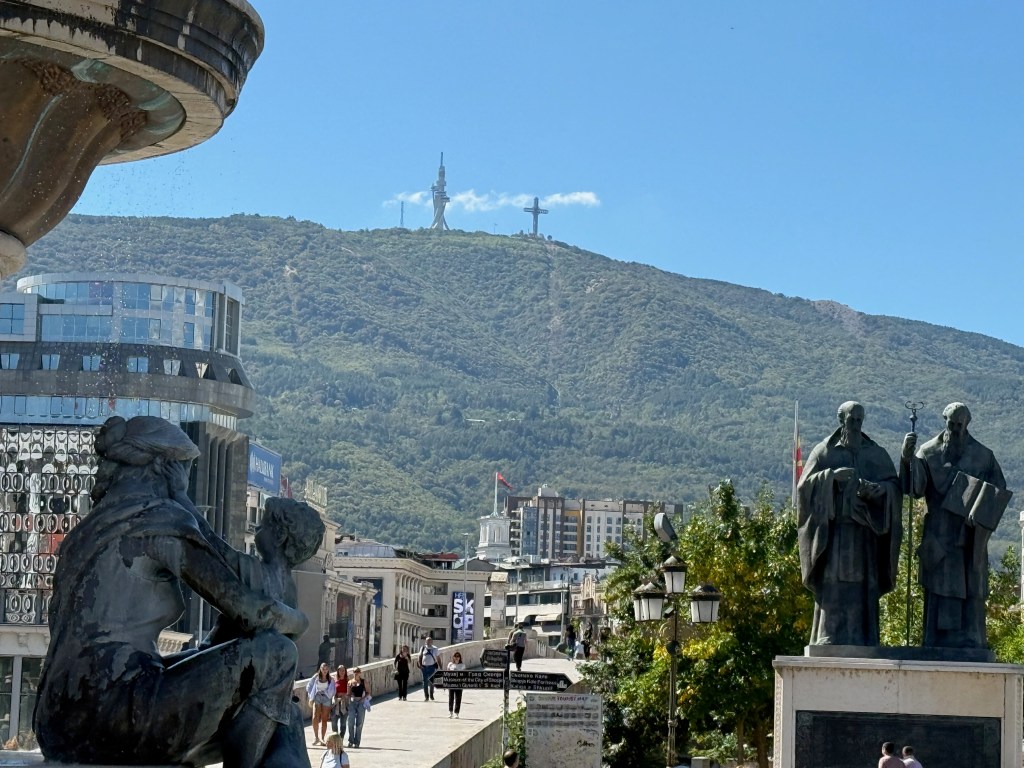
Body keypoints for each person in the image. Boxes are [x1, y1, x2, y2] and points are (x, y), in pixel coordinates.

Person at [33, 416, 311, 767]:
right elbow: (248, 610)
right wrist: (299, 622)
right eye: (187, 469)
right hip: (114, 712)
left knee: (247, 671)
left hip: (58, 720)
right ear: (166, 467)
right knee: (277, 655)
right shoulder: (159, 520)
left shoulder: (91, 528)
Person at [902, 402, 1011, 649]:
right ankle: (936, 641)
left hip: (970, 536)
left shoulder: (984, 455)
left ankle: (971, 641)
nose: (955, 430)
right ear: (945, 422)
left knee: (971, 589)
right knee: (939, 590)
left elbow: (999, 491)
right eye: (951, 424)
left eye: (959, 425)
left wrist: (980, 512)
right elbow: (915, 489)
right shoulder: (928, 452)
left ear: (967, 424)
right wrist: (907, 458)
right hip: (939, 535)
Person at [797, 401, 903, 646]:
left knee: (862, 587)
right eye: (851, 420)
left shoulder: (875, 453)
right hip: (835, 535)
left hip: (865, 535)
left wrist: (880, 491)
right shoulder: (824, 451)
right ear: (841, 420)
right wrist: (830, 478)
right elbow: (804, 489)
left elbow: (895, 487)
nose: (855, 425)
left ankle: (863, 637)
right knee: (834, 583)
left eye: (859, 420)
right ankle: (829, 635)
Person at [306, 662, 335, 746]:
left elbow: (332, 690)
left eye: (326, 669)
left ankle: (322, 738)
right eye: (323, 669)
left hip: (326, 698)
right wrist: (311, 695)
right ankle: (316, 737)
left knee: (324, 718)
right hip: (317, 697)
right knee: (315, 716)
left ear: (328, 670)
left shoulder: (330, 679)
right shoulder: (316, 677)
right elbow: (309, 686)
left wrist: (326, 693)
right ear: (320, 669)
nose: (325, 671)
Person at [346, 667, 370, 748]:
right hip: (352, 702)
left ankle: (357, 742)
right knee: (350, 722)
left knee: (359, 723)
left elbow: (368, 692)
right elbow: (348, 693)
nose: (356, 673)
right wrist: (350, 695)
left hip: (361, 702)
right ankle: (351, 740)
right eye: (354, 672)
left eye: (357, 671)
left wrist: (363, 699)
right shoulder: (350, 682)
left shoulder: (364, 682)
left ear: (360, 673)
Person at [418, 635, 441, 700]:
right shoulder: (422, 648)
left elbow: (438, 658)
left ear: (432, 642)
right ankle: (426, 696)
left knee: (431, 682)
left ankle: (431, 694)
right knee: (424, 682)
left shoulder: (435, 648)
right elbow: (419, 657)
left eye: (430, 640)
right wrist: (420, 665)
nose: (428, 642)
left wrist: (440, 666)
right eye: (427, 640)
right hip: (424, 667)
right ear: (425, 641)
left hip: (432, 667)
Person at [331, 665, 349, 740]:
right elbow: (331, 691)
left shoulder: (348, 681)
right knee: (334, 722)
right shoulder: (334, 681)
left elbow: (350, 692)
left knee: (343, 723)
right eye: (340, 670)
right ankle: (336, 738)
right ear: (338, 671)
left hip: (345, 703)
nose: (342, 672)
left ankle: (341, 737)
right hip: (336, 703)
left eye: (343, 670)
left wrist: (344, 695)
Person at [446, 651, 466, 718]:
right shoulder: (450, 664)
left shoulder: (462, 665)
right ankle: (450, 712)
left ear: (460, 658)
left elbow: (464, 675)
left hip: (459, 683)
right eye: (455, 656)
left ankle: (456, 713)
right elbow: (447, 674)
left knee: (458, 698)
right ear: (453, 657)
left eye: (458, 656)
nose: (457, 658)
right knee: (451, 698)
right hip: (451, 683)